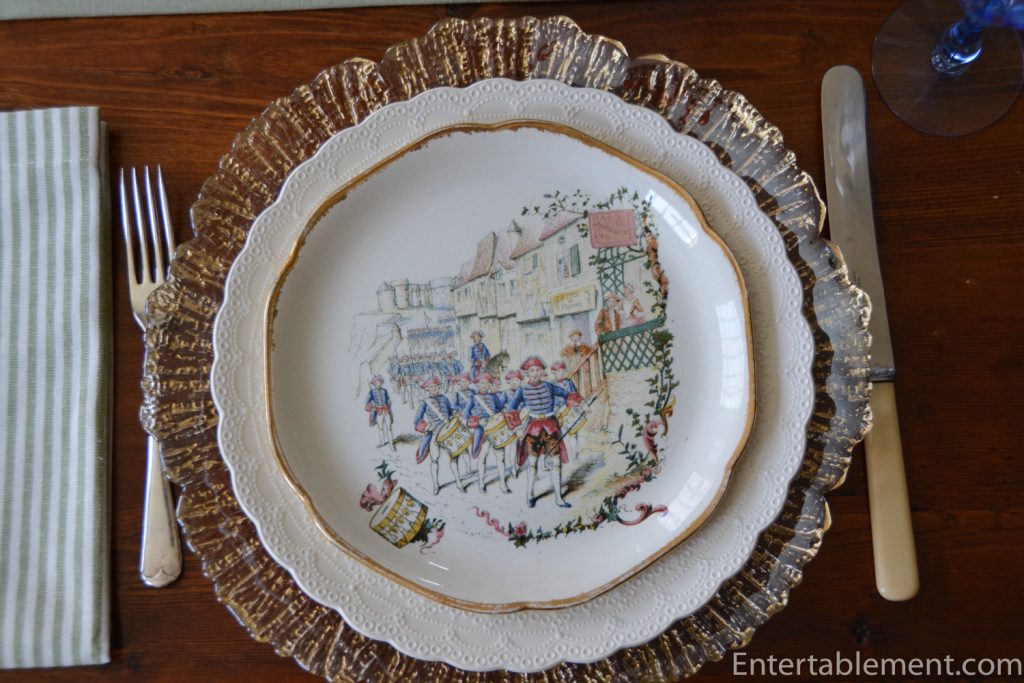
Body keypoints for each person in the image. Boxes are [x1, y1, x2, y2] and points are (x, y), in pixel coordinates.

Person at [504, 356, 581, 508]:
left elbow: (567, 395)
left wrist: (581, 403)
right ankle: (530, 494)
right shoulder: (522, 389)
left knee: (556, 463)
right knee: (532, 463)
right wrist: (517, 428)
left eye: (538, 370)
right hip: (533, 428)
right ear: (527, 373)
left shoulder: (549, 386)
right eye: (532, 370)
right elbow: (511, 409)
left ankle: (558, 497)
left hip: (550, 427)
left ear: (542, 371)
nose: (535, 373)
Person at [413, 377, 471, 495]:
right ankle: (435, 485)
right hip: (435, 433)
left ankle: (458, 482)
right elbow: (417, 420)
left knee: (454, 457)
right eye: (431, 387)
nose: (434, 388)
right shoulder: (424, 402)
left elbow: (450, 412)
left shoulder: (444, 398)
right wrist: (427, 427)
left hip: (448, 431)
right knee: (434, 460)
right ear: (427, 389)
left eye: (435, 386)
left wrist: (455, 414)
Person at [463, 373, 511, 494]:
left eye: (486, 383)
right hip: (481, 431)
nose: (484, 385)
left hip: (495, 430)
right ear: (478, 384)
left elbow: (501, 407)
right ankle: (481, 482)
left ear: (490, 384)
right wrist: (478, 420)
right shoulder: (473, 398)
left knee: (501, 458)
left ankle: (503, 484)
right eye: (482, 383)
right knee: (482, 458)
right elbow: (466, 415)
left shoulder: (494, 397)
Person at [551, 362, 581, 461]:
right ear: (554, 372)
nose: (561, 373)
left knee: (573, 433)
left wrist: (577, 405)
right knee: (563, 436)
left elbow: (575, 395)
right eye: (559, 371)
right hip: (559, 414)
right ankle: (566, 457)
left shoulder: (569, 383)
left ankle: (574, 458)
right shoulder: (551, 384)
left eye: (563, 371)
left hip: (570, 412)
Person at [364, 375, 395, 451]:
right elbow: (366, 403)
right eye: (376, 383)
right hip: (378, 412)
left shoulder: (385, 391)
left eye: (379, 382)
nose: (378, 384)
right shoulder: (371, 392)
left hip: (386, 411)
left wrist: (389, 402)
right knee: (380, 428)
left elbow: (388, 400)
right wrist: (372, 404)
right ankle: (382, 442)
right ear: (374, 384)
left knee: (389, 428)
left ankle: (391, 444)